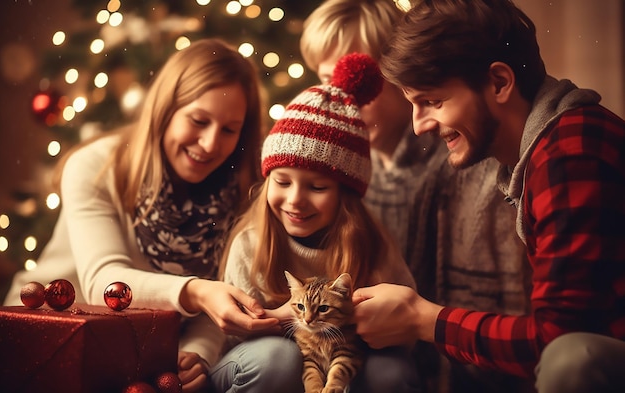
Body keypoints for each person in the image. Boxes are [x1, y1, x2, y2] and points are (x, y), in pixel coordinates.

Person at [352, 1, 625, 392]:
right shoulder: (544, 150)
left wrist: (422, 319)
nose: (419, 126)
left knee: (570, 360)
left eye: (432, 102)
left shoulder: (570, 152)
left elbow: (555, 340)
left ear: (499, 83)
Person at [3, 38, 280, 391]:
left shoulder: (242, 188)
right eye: (198, 120)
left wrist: (196, 355)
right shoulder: (95, 166)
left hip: (152, 358)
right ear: (165, 109)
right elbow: (104, 281)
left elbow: (221, 302)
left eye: (228, 130)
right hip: (52, 343)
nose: (210, 144)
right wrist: (196, 291)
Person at [300, 1, 529, 391]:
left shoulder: (469, 168)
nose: (339, 100)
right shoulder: (338, 179)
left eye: (356, 79)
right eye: (327, 81)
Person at [208, 53, 421, 393]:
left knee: (389, 372)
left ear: (345, 196)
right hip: (260, 366)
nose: (295, 200)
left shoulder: (371, 244)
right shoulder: (251, 243)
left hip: (341, 363)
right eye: (282, 182)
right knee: (279, 359)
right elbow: (233, 336)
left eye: (318, 187)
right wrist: (281, 320)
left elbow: (405, 331)